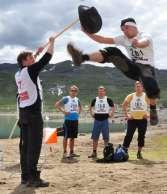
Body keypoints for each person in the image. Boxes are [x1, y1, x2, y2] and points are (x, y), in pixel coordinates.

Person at [67, 17, 160, 126]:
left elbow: (145, 42)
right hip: (132, 68)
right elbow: (102, 39)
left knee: (149, 83)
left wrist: (138, 43)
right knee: (112, 51)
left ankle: (153, 110)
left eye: (126, 28)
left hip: (147, 68)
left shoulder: (144, 35)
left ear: (134, 26)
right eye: (122, 29)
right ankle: (82, 58)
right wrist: (87, 32)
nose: (124, 31)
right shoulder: (123, 38)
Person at [15, 37, 55, 187]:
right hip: (33, 114)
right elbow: (47, 58)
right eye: (30, 57)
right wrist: (51, 43)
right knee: (35, 146)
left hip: (24, 114)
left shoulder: (18, 74)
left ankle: (25, 176)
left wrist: (36, 54)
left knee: (25, 146)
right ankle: (33, 177)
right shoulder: (31, 70)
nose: (33, 58)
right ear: (25, 62)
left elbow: (31, 65)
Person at [122, 81, 149, 159]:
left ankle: (139, 152)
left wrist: (148, 114)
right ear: (135, 87)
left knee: (141, 136)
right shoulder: (131, 96)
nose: (138, 87)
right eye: (137, 86)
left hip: (142, 120)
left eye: (140, 86)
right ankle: (125, 151)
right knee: (128, 135)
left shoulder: (146, 96)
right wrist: (127, 115)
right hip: (132, 120)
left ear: (142, 88)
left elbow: (153, 105)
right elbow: (124, 106)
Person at [55, 85, 82, 159]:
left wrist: (78, 114)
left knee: (73, 137)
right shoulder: (66, 98)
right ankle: (64, 152)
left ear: (77, 92)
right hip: (68, 121)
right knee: (66, 137)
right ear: (69, 91)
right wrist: (64, 111)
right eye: (72, 90)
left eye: (75, 91)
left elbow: (80, 107)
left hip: (75, 121)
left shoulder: (77, 99)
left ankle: (72, 152)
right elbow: (56, 105)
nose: (73, 92)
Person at [88, 86, 115, 158]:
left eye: (102, 91)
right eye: (99, 91)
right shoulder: (95, 99)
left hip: (105, 120)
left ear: (104, 92)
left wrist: (111, 114)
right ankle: (94, 153)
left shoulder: (108, 99)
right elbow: (90, 107)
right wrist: (92, 114)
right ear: (98, 92)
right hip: (96, 120)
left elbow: (113, 107)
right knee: (95, 137)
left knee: (106, 137)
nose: (101, 92)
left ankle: (106, 152)